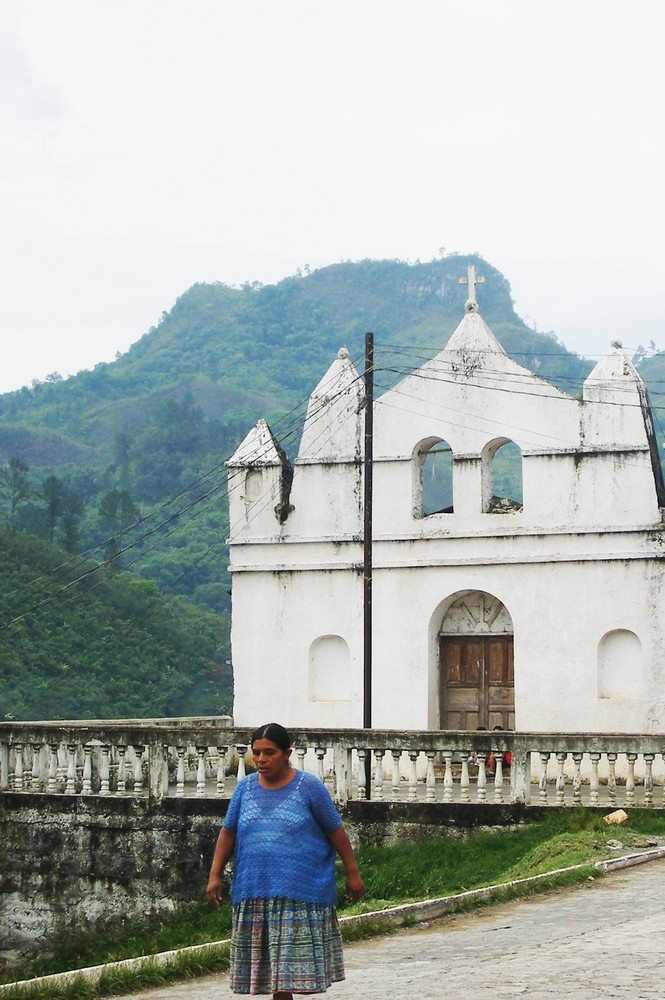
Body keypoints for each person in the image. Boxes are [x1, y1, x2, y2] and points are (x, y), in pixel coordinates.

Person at [206, 722, 365, 998]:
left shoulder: (308, 788)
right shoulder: (244, 789)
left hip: (297, 893)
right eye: (256, 753)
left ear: (287, 753)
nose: (261, 760)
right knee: (275, 977)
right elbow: (228, 833)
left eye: (269, 753)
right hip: (255, 890)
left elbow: (335, 831)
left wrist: (352, 872)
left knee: (285, 977)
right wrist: (214, 875)